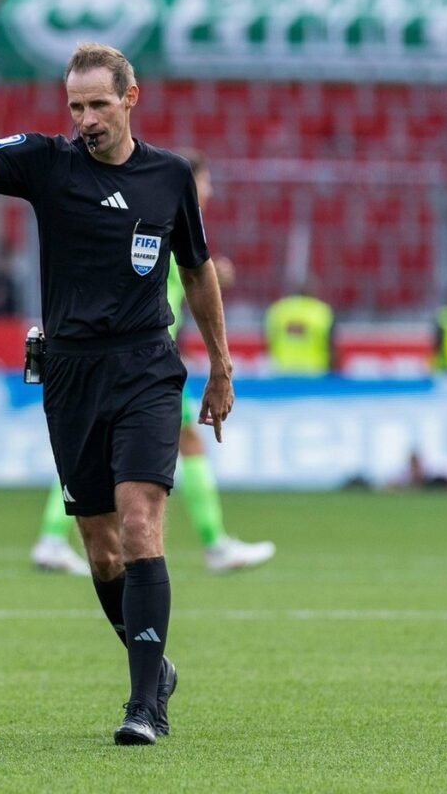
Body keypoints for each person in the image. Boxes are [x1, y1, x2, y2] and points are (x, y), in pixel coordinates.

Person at [0, 37, 234, 746]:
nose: (86, 118)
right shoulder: (48, 163)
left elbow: (199, 271)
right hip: (71, 373)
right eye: (76, 105)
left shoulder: (170, 177)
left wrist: (221, 364)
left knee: (141, 521)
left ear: (130, 98)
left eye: (98, 104)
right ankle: (155, 667)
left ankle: (144, 704)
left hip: (147, 364)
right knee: (101, 547)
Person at [32, 150, 273, 576]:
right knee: (158, 446)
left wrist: (213, 270)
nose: (211, 191)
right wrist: (214, 272)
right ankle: (215, 544)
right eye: (206, 182)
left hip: (143, 360)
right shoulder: (161, 215)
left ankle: (53, 537)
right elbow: (179, 269)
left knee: (91, 451)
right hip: (147, 363)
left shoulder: (156, 216)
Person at [264, 282, 335, 375]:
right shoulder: (321, 311)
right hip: (314, 371)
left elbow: (267, 340)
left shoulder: (278, 310)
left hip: (282, 369)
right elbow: (331, 344)